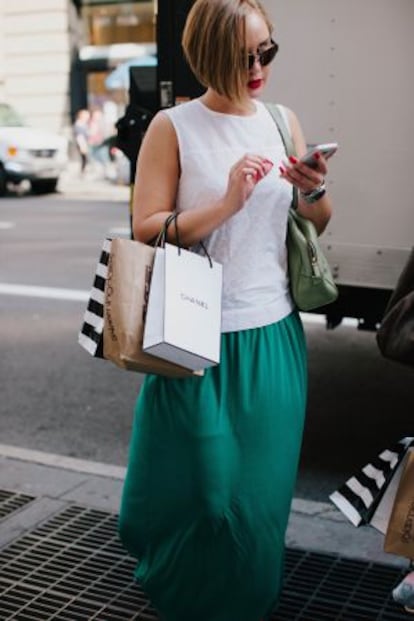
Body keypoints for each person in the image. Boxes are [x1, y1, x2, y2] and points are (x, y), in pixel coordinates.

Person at [118, 1, 333, 620]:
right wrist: (226, 202)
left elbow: (316, 222)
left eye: (268, 50)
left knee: (259, 496)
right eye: (245, 57)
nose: (260, 66)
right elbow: (147, 227)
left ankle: (244, 600)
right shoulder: (173, 126)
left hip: (272, 334)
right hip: (192, 338)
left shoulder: (281, 120)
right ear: (209, 56)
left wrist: (312, 187)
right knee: (206, 492)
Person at [73, 108, 90, 175]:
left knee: (85, 159)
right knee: (84, 159)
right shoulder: (79, 124)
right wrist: (82, 146)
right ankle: (83, 172)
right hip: (82, 144)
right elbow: (79, 137)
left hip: (84, 143)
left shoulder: (83, 124)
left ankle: (83, 172)